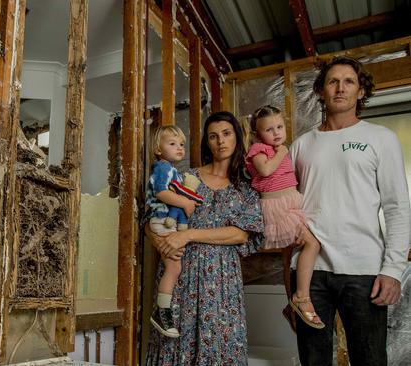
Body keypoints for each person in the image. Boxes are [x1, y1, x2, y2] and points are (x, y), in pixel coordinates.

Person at [289, 55, 411, 365]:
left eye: (348, 81)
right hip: (310, 272)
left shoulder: (380, 139)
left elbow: (397, 206)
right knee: (313, 359)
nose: (340, 88)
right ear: (321, 91)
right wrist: (287, 285)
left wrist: (392, 269)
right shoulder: (301, 145)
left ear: (360, 91)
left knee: (369, 359)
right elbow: (284, 207)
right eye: (332, 81)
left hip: (364, 270)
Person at [145, 112, 264, 365]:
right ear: (206, 142)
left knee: (222, 342)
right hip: (181, 275)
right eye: (213, 136)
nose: (220, 141)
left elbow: (240, 233)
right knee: (175, 343)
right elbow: (151, 215)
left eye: (226, 133)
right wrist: (161, 242)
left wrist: (187, 234)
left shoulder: (245, 188)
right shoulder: (186, 178)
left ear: (237, 138)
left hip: (222, 282)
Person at [246, 105, 324, 329]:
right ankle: (302, 297)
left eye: (279, 126)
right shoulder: (260, 150)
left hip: (291, 203)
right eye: (269, 129)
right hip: (276, 207)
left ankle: (290, 305)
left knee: (288, 258)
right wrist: (281, 152)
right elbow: (266, 171)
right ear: (258, 134)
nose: (276, 133)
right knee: (313, 244)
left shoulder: (280, 149)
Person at [145, 125, 204, 338]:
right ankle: (161, 311)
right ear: (158, 149)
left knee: (175, 267)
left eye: (181, 144)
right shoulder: (162, 167)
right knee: (173, 268)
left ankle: (162, 309)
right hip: (161, 220)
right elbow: (161, 192)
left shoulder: (174, 171)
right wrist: (185, 204)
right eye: (172, 144)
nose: (179, 148)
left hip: (166, 220)